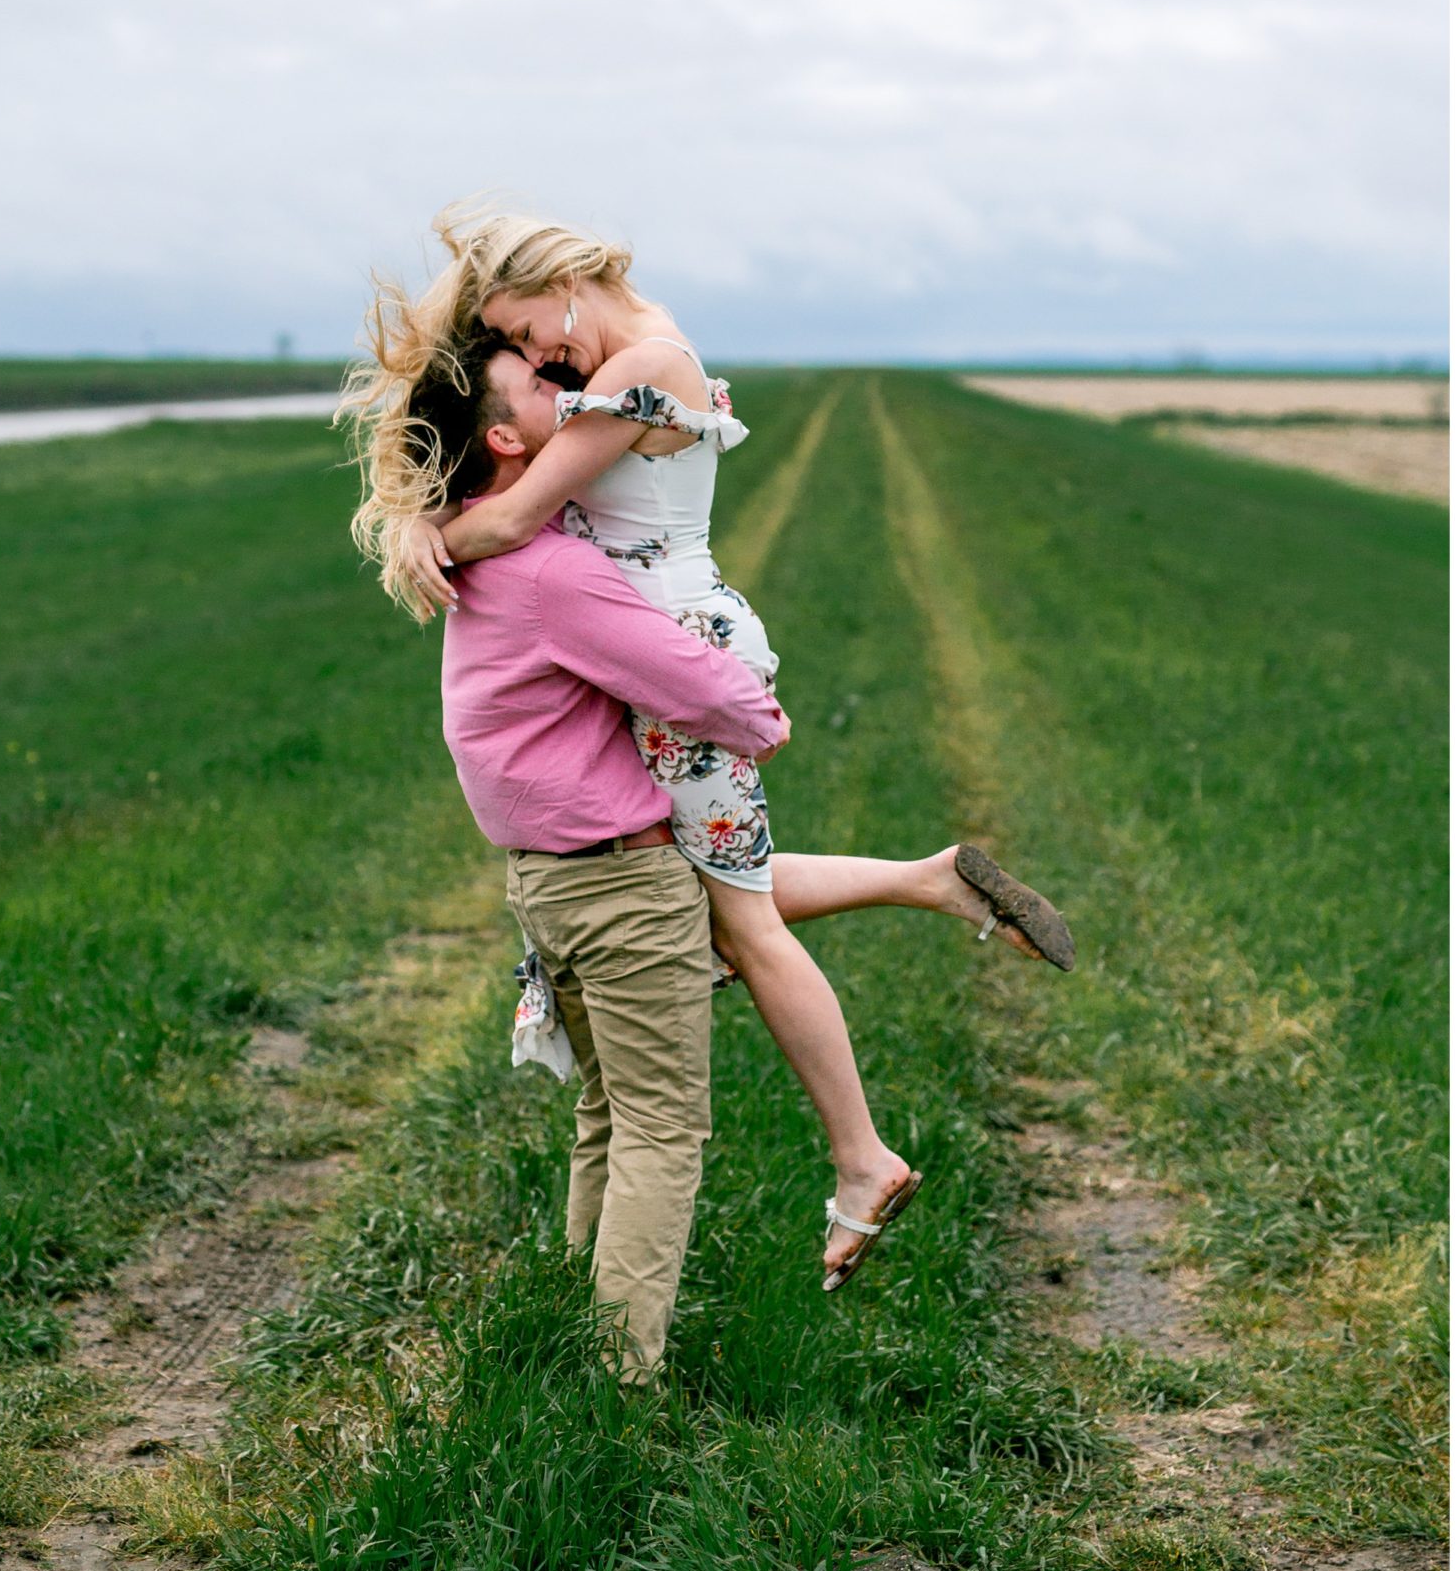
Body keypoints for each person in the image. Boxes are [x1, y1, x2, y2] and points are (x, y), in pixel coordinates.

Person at [345, 202, 1074, 1289]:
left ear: (564, 279)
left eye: (533, 332)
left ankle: (862, 1155)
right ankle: (932, 883)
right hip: (652, 645)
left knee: (736, 919)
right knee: (707, 884)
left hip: (674, 657)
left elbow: (508, 523)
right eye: (527, 350)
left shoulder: (644, 359)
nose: (543, 357)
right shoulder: (642, 352)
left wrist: (416, 531)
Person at [429, 336, 792, 1380]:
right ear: (506, 437)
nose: (570, 388)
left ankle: (572, 1319)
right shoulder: (553, 569)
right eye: (544, 386)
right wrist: (763, 719)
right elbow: (713, 693)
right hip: (619, 884)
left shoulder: (488, 552)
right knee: (665, 1131)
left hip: (547, 882)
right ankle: (617, 1385)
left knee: (608, 1113)